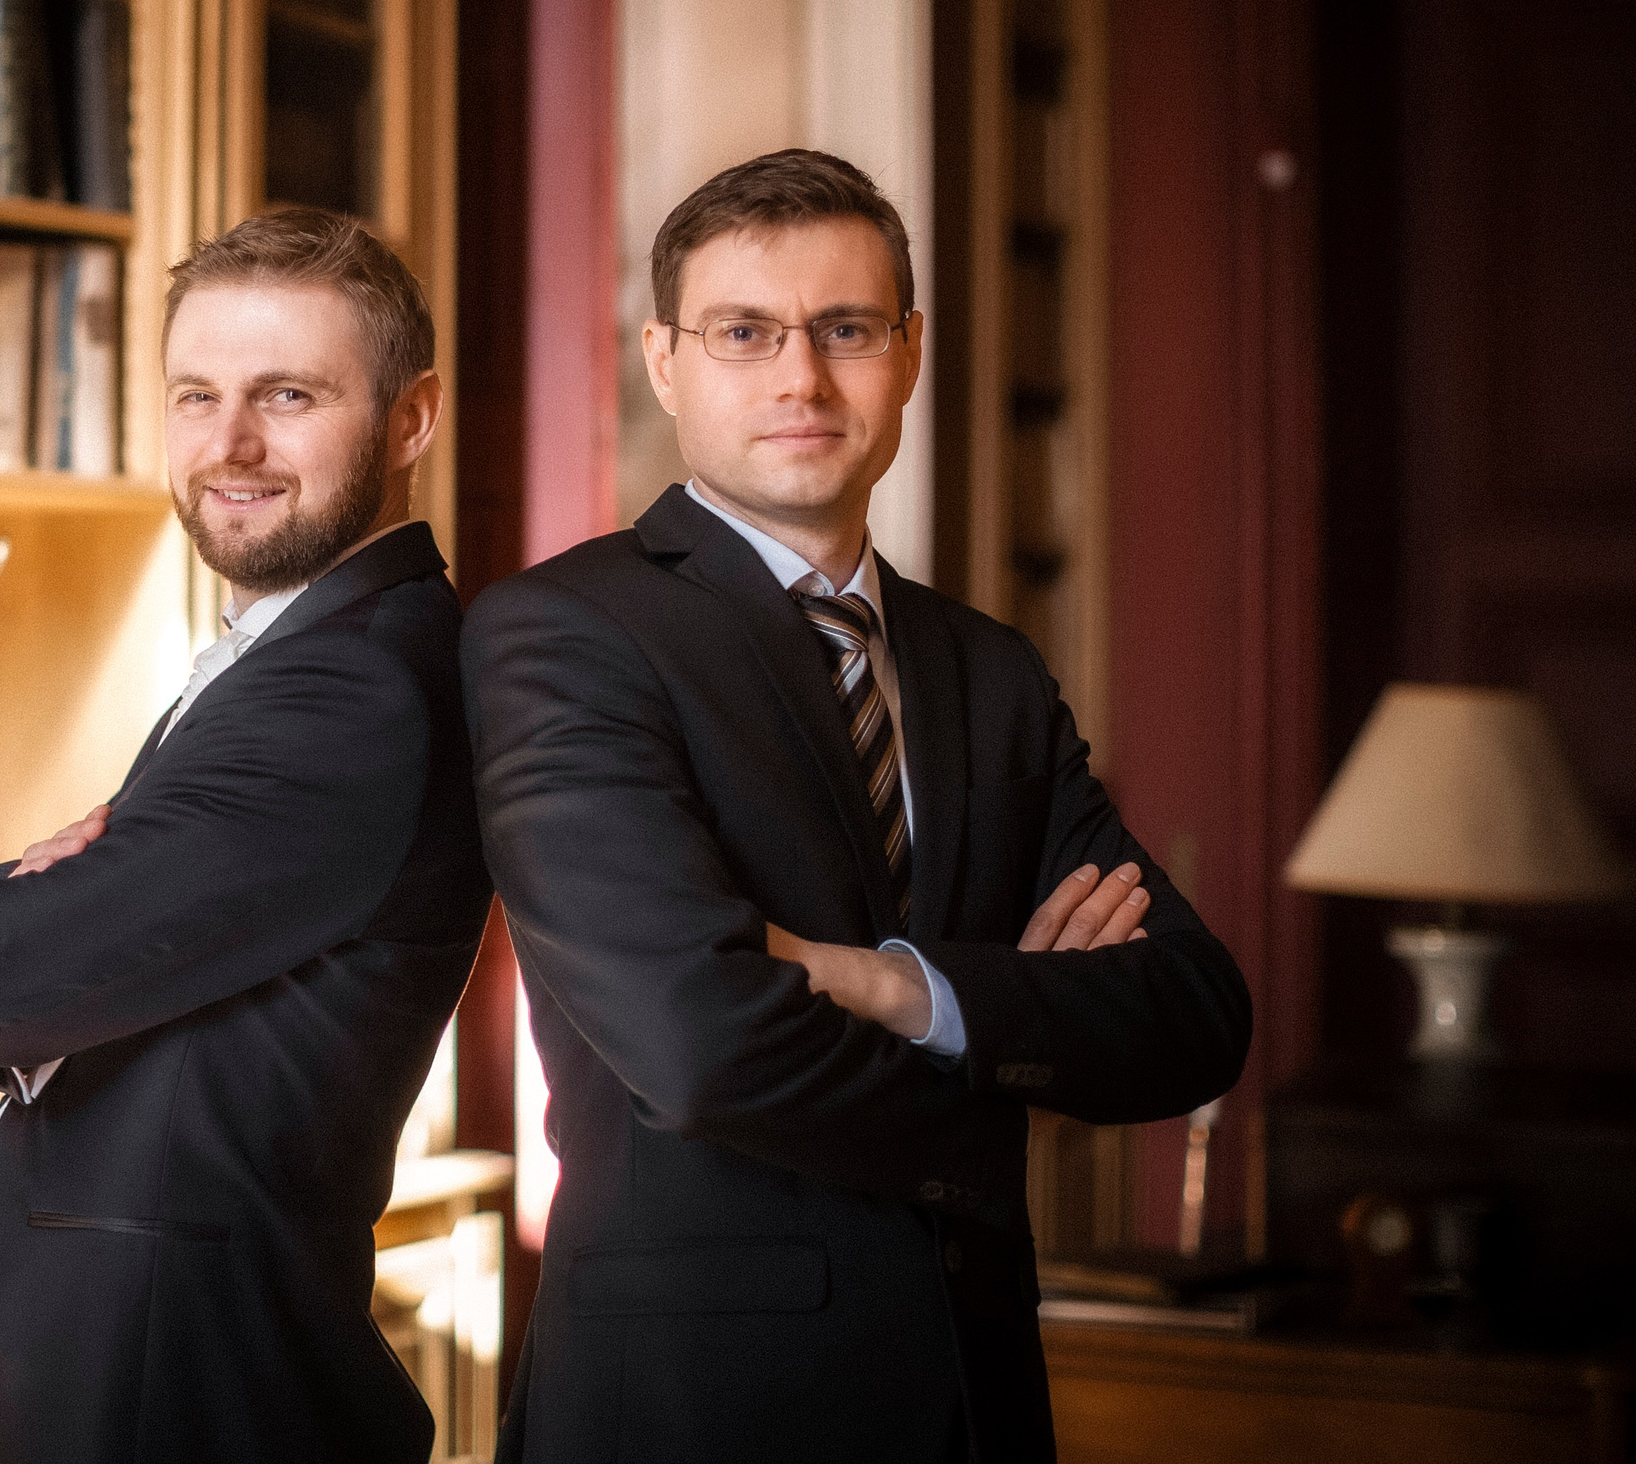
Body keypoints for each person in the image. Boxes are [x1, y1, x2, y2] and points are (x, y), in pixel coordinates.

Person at [464, 150, 1252, 1463]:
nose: (801, 377)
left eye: (846, 328)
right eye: (743, 332)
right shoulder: (564, 631)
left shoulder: (987, 668)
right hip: (692, 1405)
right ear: (665, 359)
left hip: (972, 1397)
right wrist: (1005, 1044)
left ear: (911, 349)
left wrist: (898, 987)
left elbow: (1195, 1013)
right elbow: (695, 1041)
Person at [0, 208, 491, 1463]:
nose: (228, 444)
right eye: (194, 394)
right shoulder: (299, 659)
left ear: (411, 418)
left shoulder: (351, 688)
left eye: (286, 395)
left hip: (177, 1404)